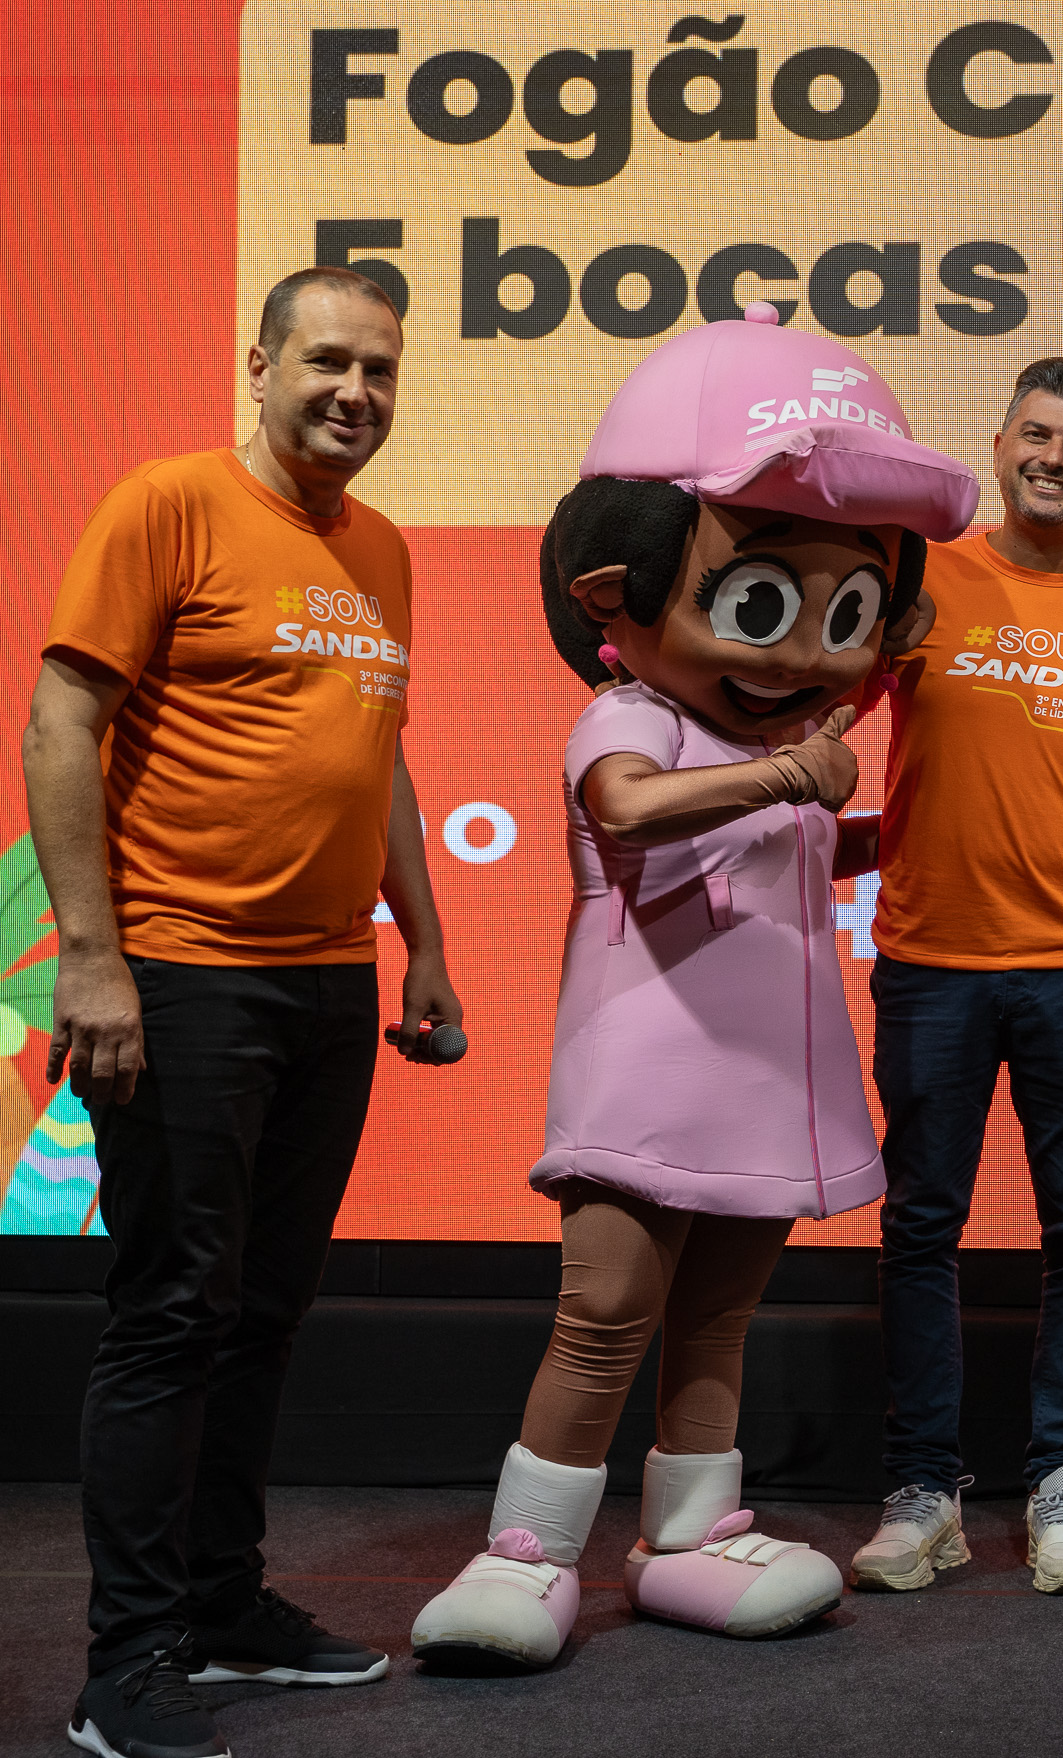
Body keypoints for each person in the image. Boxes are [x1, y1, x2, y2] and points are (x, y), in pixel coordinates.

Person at [410, 305, 981, 1667]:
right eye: (762, 603)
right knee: (603, 1313)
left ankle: (688, 1533)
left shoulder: (771, 748)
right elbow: (626, 807)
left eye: (849, 613)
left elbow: (786, 840)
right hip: (647, 1070)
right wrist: (790, 773)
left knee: (718, 1316)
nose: (803, 654)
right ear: (615, 589)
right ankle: (526, 1553)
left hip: (763, 1075)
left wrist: (889, 828)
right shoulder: (633, 716)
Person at [22, 267, 461, 1758]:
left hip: (329, 979)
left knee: (264, 1311)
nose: (356, 392)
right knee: (171, 1314)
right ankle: (126, 1662)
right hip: (179, 971)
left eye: (380, 370)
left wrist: (428, 945)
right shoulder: (169, 504)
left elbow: (379, 761)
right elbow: (61, 723)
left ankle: (219, 1603)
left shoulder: (383, 549)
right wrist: (94, 959)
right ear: (259, 365)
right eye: (328, 361)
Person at [850, 358, 1063, 1596]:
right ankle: (922, 1488)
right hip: (930, 959)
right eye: (1035, 435)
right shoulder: (920, 580)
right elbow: (819, 711)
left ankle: (1061, 1482)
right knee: (919, 1225)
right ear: (997, 447)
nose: (1054, 459)